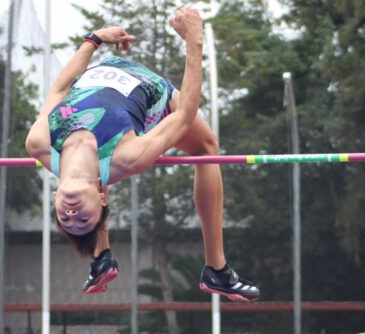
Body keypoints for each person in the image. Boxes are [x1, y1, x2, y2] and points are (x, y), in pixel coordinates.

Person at [25, 7, 259, 302]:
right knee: (207, 147)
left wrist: (93, 39)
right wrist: (193, 41)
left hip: (100, 70)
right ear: (102, 199)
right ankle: (217, 268)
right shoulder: (129, 157)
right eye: (82, 220)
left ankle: (101, 258)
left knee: (87, 167)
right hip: (151, 94)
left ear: (56, 200)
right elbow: (185, 114)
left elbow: (59, 89)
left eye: (66, 218)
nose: (72, 214)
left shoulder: (40, 142)